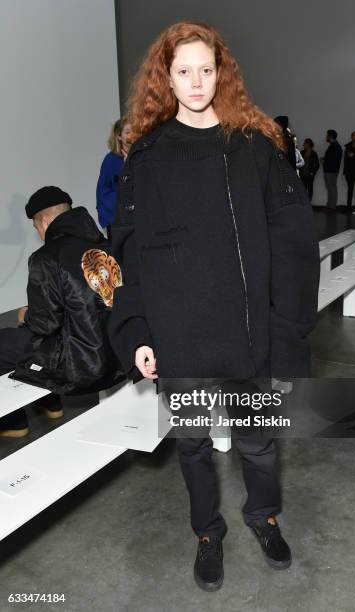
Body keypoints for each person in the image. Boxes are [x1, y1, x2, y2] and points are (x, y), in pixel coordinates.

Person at [109, 21, 319, 592]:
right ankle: (208, 532)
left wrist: (288, 330)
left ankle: (264, 517)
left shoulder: (255, 146)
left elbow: (293, 246)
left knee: (258, 441)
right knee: (194, 443)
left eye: (207, 69)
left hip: (251, 333)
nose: (197, 81)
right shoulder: (146, 158)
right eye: (183, 71)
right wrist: (137, 331)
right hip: (181, 336)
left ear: (221, 72)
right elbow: (128, 251)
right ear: (167, 79)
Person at [0, 187, 124, 438]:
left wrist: (27, 315)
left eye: (36, 227)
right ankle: (49, 402)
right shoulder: (106, 246)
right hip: (118, 353)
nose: (38, 233)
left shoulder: (46, 257)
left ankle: (12, 422)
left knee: (5, 341)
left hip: (82, 365)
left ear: (44, 221)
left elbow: (44, 325)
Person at [96, 118, 133, 237]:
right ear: (119, 136)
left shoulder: (143, 156)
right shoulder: (111, 160)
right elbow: (102, 193)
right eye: (127, 132)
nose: (132, 136)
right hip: (118, 221)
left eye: (135, 131)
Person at [322, 129, 343, 211]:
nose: (326, 137)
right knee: (331, 188)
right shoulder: (334, 145)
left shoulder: (335, 146)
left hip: (331, 170)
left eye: (327, 135)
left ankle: (332, 206)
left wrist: (324, 161)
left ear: (330, 136)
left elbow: (333, 159)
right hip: (331, 170)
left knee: (332, 188)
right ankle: (330, 205)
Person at [343, 131, 355, 209]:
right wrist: (345, 171)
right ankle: (348, 206)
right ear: (351, 137)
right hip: (349, 171)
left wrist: (354, 155)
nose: (354, 138)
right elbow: (346, 159)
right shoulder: (348, 146)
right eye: (353, 136)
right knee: (350, 189)